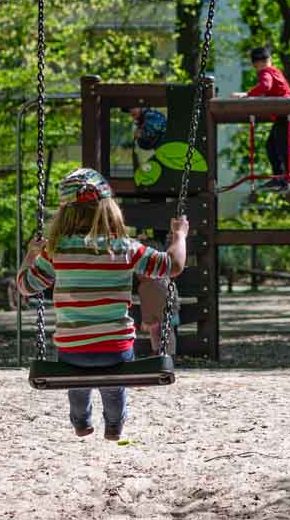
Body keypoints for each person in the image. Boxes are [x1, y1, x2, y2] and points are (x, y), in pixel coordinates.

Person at [17, 167, 189, 440]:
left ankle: (81, 422)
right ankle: (113, 425)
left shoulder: (56, 252)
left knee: (77, 385)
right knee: (114, 386)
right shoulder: (124, 248)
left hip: (73, 351)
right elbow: (174, 265)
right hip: (116, 349)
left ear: (64, 213)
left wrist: (31, 254)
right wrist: (179, 236)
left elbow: (25, 285)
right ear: (109, 208)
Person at [230, 46, 290, 190]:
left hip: (286, 113)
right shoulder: (276, 71)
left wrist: (247, 94)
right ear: (270, 59)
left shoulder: (265, 72)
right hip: (285, 113)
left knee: (283, 147)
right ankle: (280, 178)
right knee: (272, 146)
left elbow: (266, 86)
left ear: (255, 64)